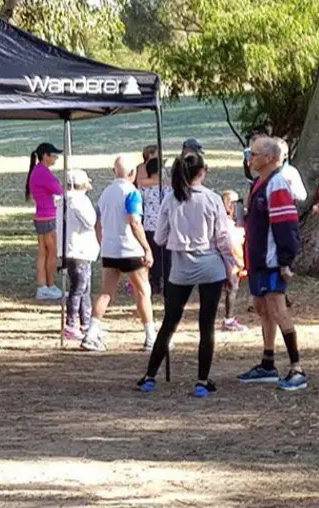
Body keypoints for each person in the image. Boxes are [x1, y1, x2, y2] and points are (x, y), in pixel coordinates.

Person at [136, 152, 241, 398]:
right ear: (202, 173)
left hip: (181, 266)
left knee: (170, 321)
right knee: (206, 325)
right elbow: (223, 238)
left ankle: (150, 376)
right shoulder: (213, 199)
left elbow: (160, 237)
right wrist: (230, 266)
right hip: (210, 264)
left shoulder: (171, 199)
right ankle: (202, 380)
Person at [234, 136, 310, 391]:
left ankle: (297, 368)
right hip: (257, 260)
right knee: (263, 309)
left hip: (271, 260)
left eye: (254, 154)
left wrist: (285, 261)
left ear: (269, 158)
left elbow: (286, 225)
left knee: (278, 310)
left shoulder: (277, 184)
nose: (250, 159)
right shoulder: (260, 183)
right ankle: (268, 363)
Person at [91, 154, 156, 352]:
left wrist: (103, 243)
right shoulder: (132, 192)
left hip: (110, 249)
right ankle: (150, 336)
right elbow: (135, 221)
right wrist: (146, 247)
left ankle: (91, 332)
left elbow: (98, 223)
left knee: (106, 292)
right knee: (143, 290)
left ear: (114, 172)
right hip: (130, 249)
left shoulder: (106, 193)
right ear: (132, 173)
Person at [60, 169, 100, 344]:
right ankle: (71, 324)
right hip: (79, 249)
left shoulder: (63, 200)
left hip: (73, 249)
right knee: (79, 287)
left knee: (85, 288)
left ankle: (85, 321)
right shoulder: (78, 201)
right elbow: (90, 221)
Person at [136, 156, 169, 348]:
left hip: (149, 225)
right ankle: (164, 282)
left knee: (153, 256)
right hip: (164, 227)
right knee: (165, 257)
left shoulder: (144, 187)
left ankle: (155, 283)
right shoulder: (167, 186)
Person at [27, 143, 66, 301]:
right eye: (54, 155)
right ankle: (50, 285)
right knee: (51, 253)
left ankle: (43, 286)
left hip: (41, 216)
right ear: (45, 156)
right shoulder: (43, 173)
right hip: (48, 217)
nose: (56, 158)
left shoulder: (37, 171)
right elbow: (59, 189)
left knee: (43, 253)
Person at [219, 189, 248, 333]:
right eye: (235, 203)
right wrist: (239, 263)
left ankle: (228, 318)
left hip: (230, 260)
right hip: (230, 260)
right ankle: (228, 319)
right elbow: (233, 245)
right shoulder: (227, 224)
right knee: (232, 287)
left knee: (231, 287)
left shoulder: (232, 222)